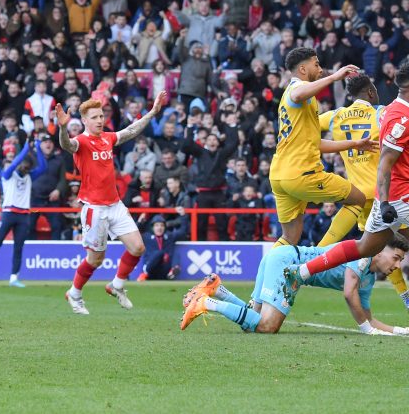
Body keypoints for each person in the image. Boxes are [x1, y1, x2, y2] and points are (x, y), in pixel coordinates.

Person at [282, 61, 409, 303]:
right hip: (388, 192)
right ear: (371, 92)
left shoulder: (336, 116)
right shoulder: (383, 113)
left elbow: (305, 132)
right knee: (382, 249)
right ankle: (393, 298)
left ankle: (301, 271)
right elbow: (389, 159)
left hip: (360, 194)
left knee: (360, 247)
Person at [57, 91, 166, 315]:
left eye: (101, 116)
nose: (100, 120)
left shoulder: (108, 138)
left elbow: (131, 130)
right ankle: (75, 294)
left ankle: (116, 285)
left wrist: (153, 112)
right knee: (96, 260)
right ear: (85, 121)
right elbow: (67, 145)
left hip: (115, 205)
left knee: (138, 247)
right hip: (94, 209)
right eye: (95, 117)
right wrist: (62, 128)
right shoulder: (82, 143)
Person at [181, 235, 409, 336]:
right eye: (396, 257)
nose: (397, 265)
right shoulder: (361, 256)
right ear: (379, 249)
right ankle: (204, 302)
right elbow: (350, 294)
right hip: (289, 265)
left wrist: (400, 331)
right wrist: (366, 330)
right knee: (267, 327)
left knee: (252, 322)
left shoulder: (368, 278)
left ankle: (218, 290)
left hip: (282, 256)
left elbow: (368, 318)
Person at [269, 47, 373, 249]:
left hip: (280, 175)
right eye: (316, 64)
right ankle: (318, 256)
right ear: (302, 68)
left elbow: (316, 143)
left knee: (289, 237)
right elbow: (298, 94)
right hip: (302, 173)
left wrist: (354, 143)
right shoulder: (296, 89)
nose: (320, 69)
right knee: (357, 198)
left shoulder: (297, 100)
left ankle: (264, 280)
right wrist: (334, 77)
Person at [0, 140, 46, 288]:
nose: (25, 167)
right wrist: (26, 149)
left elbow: (44, 167)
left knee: (19, 247)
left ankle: (14, 278)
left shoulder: (29, 177)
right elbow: (14, 164)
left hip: (23, 215)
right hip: (9, 213)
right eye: (23, 164)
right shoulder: (7, 175)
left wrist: (38, 148)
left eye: (27, 166)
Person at [137, 215, 187, 281]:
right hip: (151, 270)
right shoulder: (147, 237)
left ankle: (173, 270)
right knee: (160, 253)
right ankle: (145, 272)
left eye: (162, 225)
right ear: (153, 227)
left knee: (175, 253)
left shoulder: (169, 236)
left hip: (164, 270)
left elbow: (183, 232)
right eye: (157, 225)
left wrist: (183, 216)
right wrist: (139, 222)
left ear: (164, 227)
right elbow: (134, 234)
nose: (159, 228)